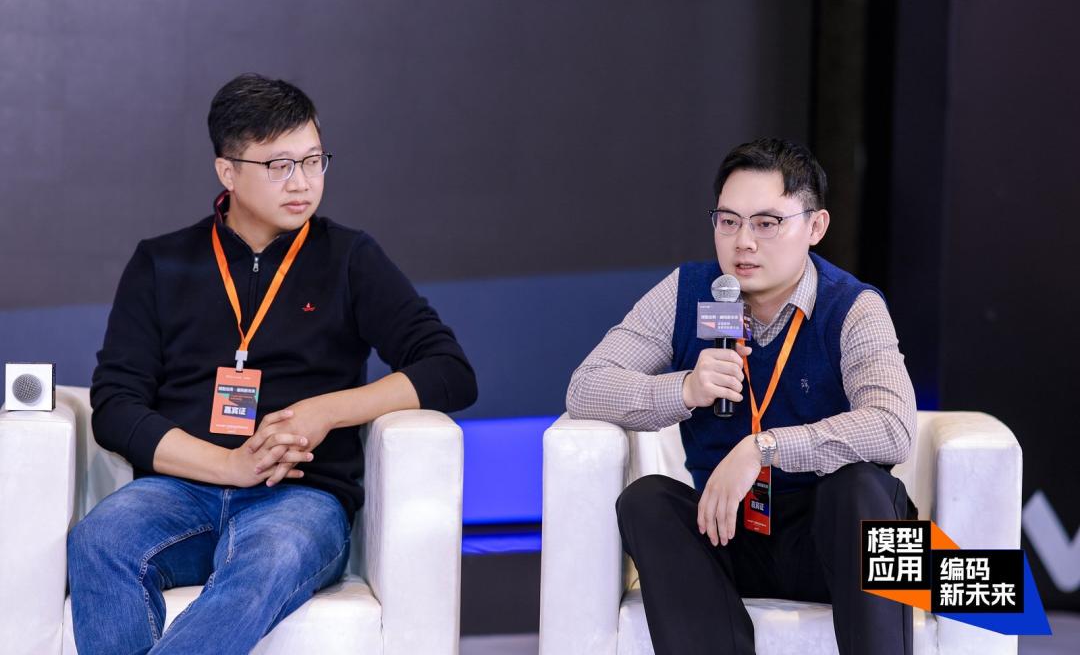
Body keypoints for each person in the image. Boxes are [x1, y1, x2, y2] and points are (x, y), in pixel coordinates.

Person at [68, 73, 477, 654]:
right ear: (228, 172)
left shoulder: (349, 258)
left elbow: (449, 370)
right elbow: (115, 407)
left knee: (270, 558)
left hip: (300, 498)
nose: (302, 182)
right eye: (279, 165)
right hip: (179, 491)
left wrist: (325, 412)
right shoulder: (161, 262)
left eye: (313, 161)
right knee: (99, 540)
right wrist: (228, 465)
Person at [566, 137, 917, 655]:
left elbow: (893, 426)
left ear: (815, 227)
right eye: (728, 221)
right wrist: (685, 388)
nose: (743, 242)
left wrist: (763, 448)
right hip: (729, 530)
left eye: (766, 223)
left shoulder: (853, 306)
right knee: (647, 501)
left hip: (830, 541)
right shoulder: (690, 292)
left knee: (859, 488)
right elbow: (586, 386)